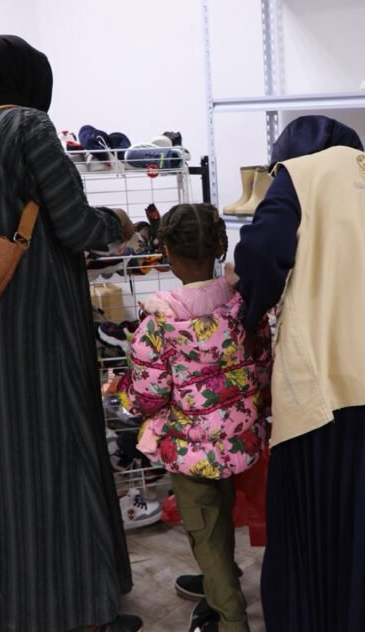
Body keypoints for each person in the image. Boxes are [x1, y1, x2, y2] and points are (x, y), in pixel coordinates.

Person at [0, 34, 141, 632]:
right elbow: (75, 225)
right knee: (50, 453)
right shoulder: (26, 125)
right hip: (29, 320)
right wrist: (119, 223)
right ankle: (74, 610)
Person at [232, 116, 365, 631]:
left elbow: (262, 251)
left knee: (325, 530)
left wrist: (250, 306)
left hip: (334, 385)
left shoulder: (302, 174)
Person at [122, 204, 271, 632]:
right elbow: (263, 368)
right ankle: (220, 580)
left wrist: (127, 393)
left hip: (191, 452)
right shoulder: (245, 306)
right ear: (220, 246)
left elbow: (148, 398)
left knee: (204, 532)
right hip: (240, 439)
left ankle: (231, 618)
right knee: (220, 515)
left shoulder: (158, 327)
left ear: (167, 252)